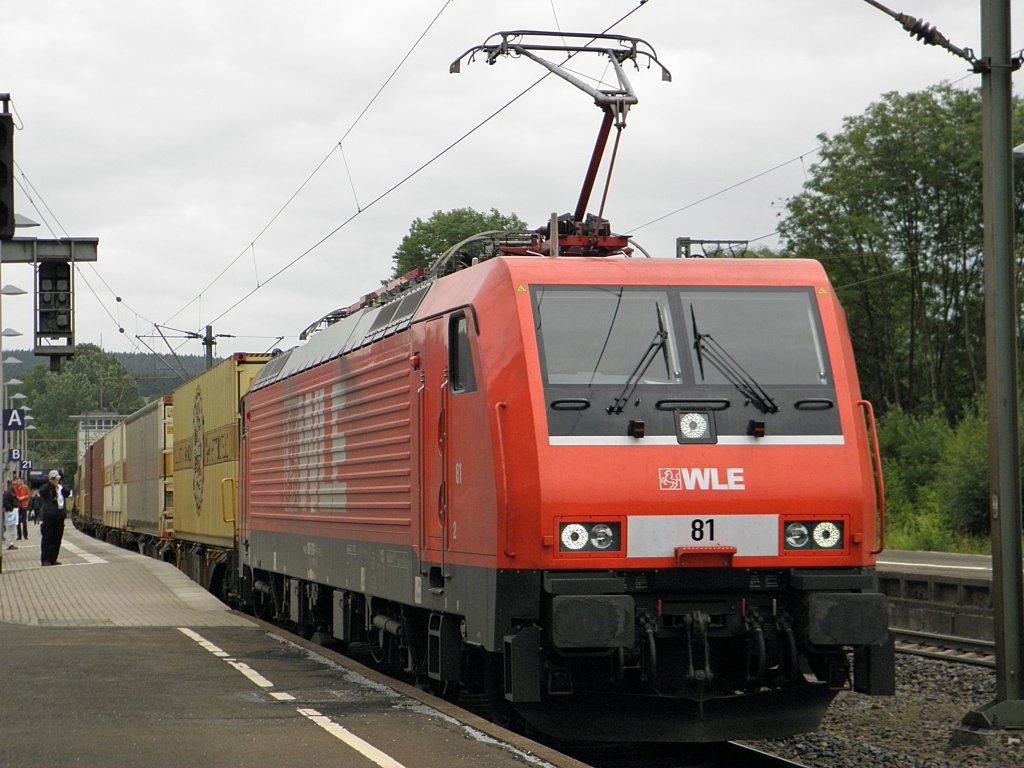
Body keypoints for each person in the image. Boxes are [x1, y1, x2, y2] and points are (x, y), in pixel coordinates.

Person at [38, 469, 70, 567]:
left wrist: (58, 485)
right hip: (49, 518)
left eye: (56, 478)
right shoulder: (45, 488)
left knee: (57, 539)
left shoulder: (61, 488)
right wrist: (51, 484)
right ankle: (45, 559)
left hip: (59, 517)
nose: (55, 480)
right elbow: (42, 492)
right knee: (47, 539)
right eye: (53, 478)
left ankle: (53, 558)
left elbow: (67, 492)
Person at [2, 481, 17, 551]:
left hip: (13, 512)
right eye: (14, 484)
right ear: (11, 485)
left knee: (13, 527)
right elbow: (5, 501)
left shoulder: (12, 492)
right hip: (10, 512)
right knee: (10, 528)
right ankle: (9, 544)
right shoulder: (8, 492)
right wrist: (11, 508)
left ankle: (11, 543)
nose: (15, 486)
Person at [13, 476, 30, 541]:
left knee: (24, 521)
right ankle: (19, 535)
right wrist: (17, 497)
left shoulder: (25, 487)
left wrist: (23, 497)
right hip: (17, 505)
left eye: (19, 481)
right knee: (18, 521)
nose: (18, 482)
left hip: (24, 505)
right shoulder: (15, 488)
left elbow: (28, 495)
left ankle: (25, 535)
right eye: (18, 481)